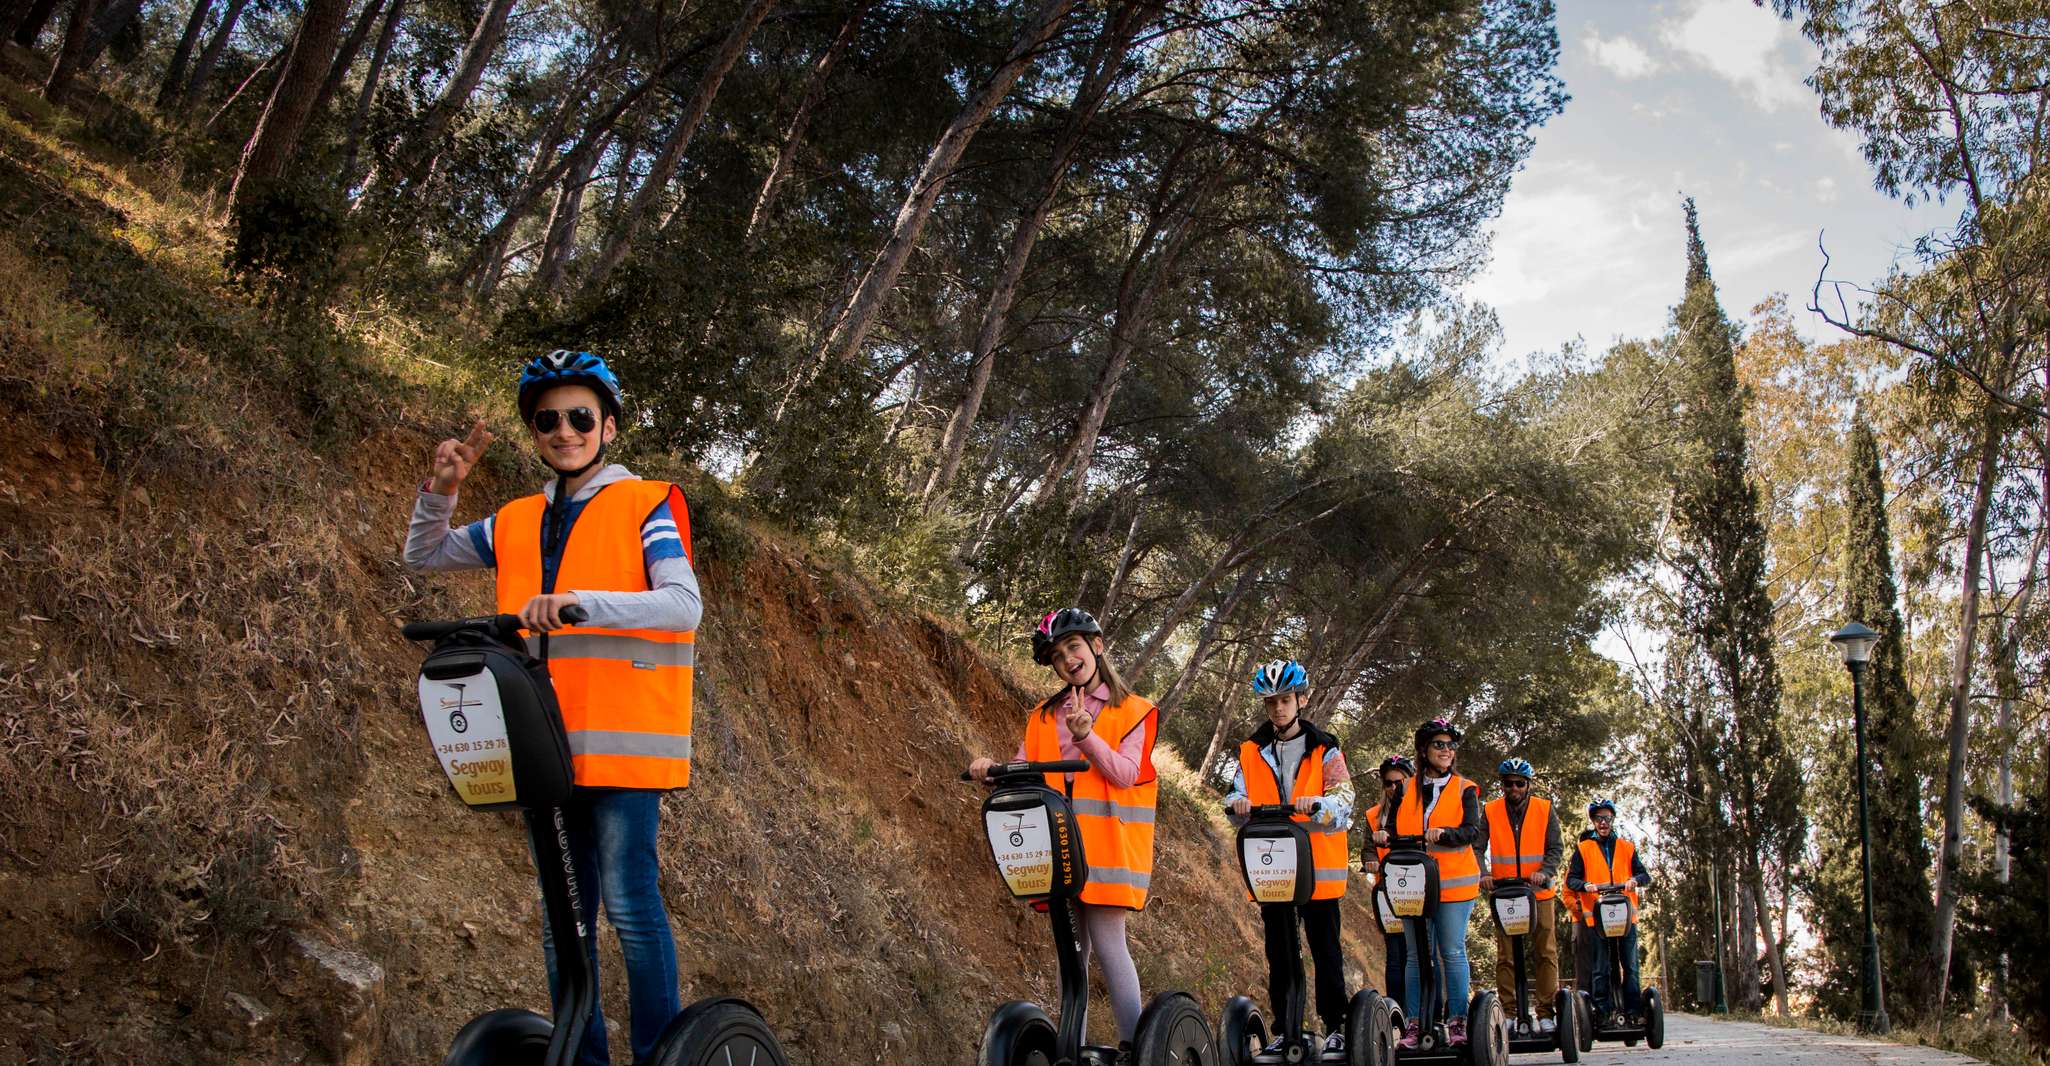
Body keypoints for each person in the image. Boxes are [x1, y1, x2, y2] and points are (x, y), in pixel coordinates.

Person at [404, 349, 700, 1066]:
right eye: (547, 420)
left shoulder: (647, 503)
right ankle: (585, 1060)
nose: (564, 431)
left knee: (630, 911)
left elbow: (682, 605)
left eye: (579, 417)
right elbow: (426, 553)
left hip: (624, 750)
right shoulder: (515, 519)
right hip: (542, 746)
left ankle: (659, 1057)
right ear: (534, 432)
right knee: (561, 920)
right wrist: (443, 487)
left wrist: (577, 606)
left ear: (609, 426)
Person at [968, 608, 1159, 1055]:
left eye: (1073, 646)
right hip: (1056, 847)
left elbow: (1127, 773)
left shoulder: (1136, 710)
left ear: (1097, 645)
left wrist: (1086, 737)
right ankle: (1072, 1049)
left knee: (1110, 947)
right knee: (1070, 954)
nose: (1067, 659)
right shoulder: (1043, 715)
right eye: (1057, 655)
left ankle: (1133, 1050)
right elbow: (1025, 767)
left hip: (1108, 851)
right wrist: (992, 771)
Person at [1224, 660, 1356, 1054]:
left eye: (1284, 700)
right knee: (1280, 952)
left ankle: (1337, 1025)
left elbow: (1345, 797)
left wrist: (1321, 804)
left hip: (1317, 868)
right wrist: (1238, 804)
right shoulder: (1251, 749)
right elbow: (1233, 794)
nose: (1278, 708)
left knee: (1325, 950)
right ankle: (1286, 1030)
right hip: (1274, 866)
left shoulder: (1325, 747)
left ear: (1301, 699)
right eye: (1270, 702)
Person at [1374, 718, 1486, 1048]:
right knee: (1414, 955)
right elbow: (1394, 828)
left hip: (1453, 883)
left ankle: (1458, 1021)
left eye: (1451, 745)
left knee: (1450, 951)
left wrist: (1446, 834)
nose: (1447, 750)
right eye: (1439, 744)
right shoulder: (1405, 789)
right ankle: (1414, 1023)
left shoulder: (1465, 788)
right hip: (1413, 883)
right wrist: (1384, 836)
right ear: (1424, 749)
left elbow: (1472, 831)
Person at [1478, 758, 1564, 1032]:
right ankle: (1510, 1012)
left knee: (1546, 952)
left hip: (1539, 893)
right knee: (1506, 955)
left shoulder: (1545, 809)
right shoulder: (1491, 810)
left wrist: (1545, 871)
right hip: (1506, 893)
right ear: (1502, 785)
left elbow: (1555, 849)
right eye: (1508, 783)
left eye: (1519, 783)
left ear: (1528, 785)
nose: (1513, 788)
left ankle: (1546, 1012)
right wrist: (1483, 874)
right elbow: (1477, 847)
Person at [1567, 798, 1651, 1025]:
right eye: (1598, 818)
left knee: (1631, 967)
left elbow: (1645, 875)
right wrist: (1585, 885)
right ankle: (1603, 1012)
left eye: (1607, 818)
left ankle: (1634, 1012)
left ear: (1613, 819)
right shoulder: (1583, 849)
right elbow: (1571, 879)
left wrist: (1634, 880)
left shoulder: (1626, 847)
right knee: (1600, 968)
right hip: (1597, 917)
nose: (1603, 822)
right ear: (1593, 821)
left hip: (1626, 916)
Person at [1362, 755, 1414, 1005]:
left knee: (1421, 952)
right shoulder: (1374, 816)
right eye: (1389, 783)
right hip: (1387, 892)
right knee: (1395, 953)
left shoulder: (1422, 812)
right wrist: (1371, 860)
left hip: (1420, 889)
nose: (1394, 788)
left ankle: (1429, 1011)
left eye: (1399, 782)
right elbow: (1367, 849)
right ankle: (1398, 1010)